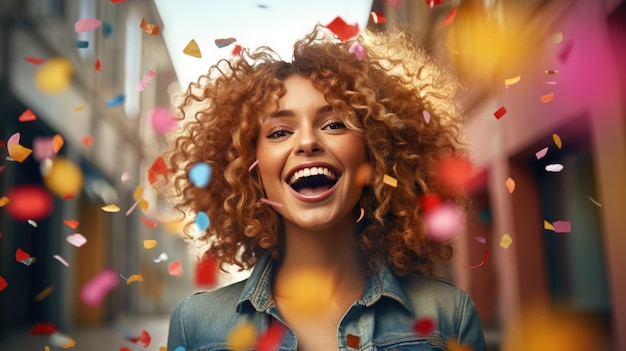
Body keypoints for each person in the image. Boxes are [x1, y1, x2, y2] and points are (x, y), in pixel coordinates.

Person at [158, 23, 486, 351]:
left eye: (334, 124)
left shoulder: (448, 316)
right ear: (251, 172)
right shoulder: (195, 325)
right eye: (279, 132)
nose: (307, 142)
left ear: (375, 157)